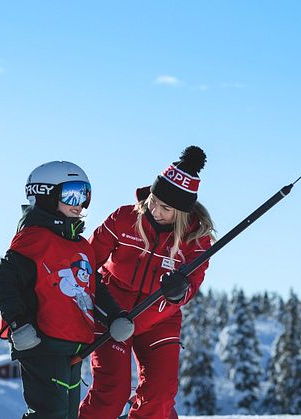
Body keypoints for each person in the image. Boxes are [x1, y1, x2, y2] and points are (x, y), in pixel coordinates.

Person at [0, 161, 135, 419]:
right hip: (41, 343)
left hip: (73, 345)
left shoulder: (81, 246)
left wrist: (114, 316)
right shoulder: (33, 239)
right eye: (72, 194)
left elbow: (92, 289)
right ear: (45, 195)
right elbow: (2, 282)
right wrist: (18, 323)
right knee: (49, 413)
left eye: (85, 195)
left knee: (67, 414)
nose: (80, 203)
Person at [79, 146, 215, 419]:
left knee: (160, 395)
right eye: (153, 200)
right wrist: (105, 308)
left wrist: (180, 291)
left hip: (159, 317)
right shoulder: (125, 218)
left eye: (165, 208)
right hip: (113, 314)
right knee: (112, 393)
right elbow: (85, 263)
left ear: (182, 212)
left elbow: (193, 281)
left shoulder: (195, 238)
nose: (155, 210)